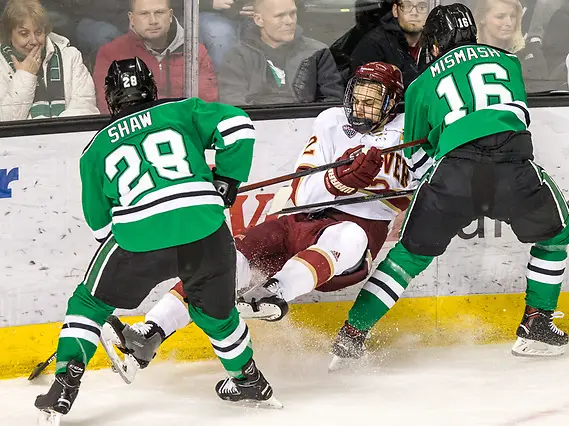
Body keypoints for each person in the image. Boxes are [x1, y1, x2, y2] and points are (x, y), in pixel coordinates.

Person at [102, 62, 429, 376]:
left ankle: (273, 293)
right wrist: (340, 179)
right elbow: (301, 193)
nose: (359, 109)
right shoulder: (330, 123)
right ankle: (148, 333)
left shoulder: (412, 133)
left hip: (348, 240)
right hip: (296, 222)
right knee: (225, 261)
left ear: (390, 103)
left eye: (370, 102)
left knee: (349, 236)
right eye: (356, 99)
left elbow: (422, 186)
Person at [33, 57, 279, 424]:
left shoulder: (95, 149)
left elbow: (99, 223)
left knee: (89, 302)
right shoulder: (183, 110)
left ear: (110, 98)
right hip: (205, 227)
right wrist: (228, 180)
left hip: (140, 234)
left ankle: (67, 381)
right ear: (152, 87)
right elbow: (238, 125)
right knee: (216, 314)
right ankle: (248, 380)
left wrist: (122, 253)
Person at [329, 3, 569, 367]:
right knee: (556, 232)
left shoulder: (420, 84)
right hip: (511, 163)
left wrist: (432, 187)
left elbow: (416, 157)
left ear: (434, 43)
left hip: (454, 171)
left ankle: (351, 336)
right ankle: (536, 324)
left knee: (408, 256)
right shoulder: (508, 60)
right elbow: (517, 116)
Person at [92, 0, 218, 114]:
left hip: (185, 130)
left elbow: (207, 105)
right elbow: (107, 107)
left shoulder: (194, 51)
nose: (153, 21)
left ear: (170, 15)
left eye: (159, 12)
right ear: (131, 18)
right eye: (144, 14)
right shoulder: (111, 53)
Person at [217, 0, 344, 105]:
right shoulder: (237, 57)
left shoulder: (317, 52)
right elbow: (234, 105)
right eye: (279, 16)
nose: (289, 21)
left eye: (293, 13)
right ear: (258, 20)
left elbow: (332, 103)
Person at [0, 0, 98, 120]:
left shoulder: (70, 56)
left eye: (38, 32)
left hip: (68, 136)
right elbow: (6, 122)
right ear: (9, 34)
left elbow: (87, 109)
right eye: (24, 34)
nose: (34, 41)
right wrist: (25, 76)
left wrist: (54, 134)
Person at [350, 0, 430, 87]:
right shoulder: (373, 45)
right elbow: (363, 95)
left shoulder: (435, 42)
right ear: (395, 10)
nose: (414, 13)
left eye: (422, 7)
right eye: (407, 6)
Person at [474, 0, 549, 92]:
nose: (509, 23)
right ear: (482, 18)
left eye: (512, 16)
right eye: (500, 17)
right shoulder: (467, 55)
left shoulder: (532, 55)